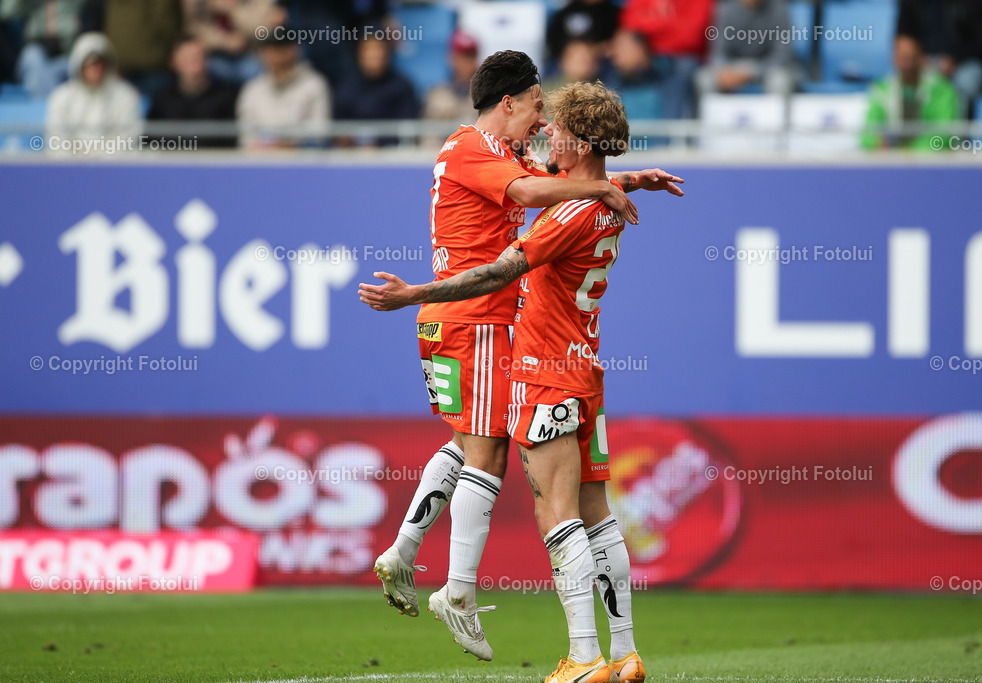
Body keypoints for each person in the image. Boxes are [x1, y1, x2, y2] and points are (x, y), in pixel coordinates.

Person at [367, 49, 677, 664]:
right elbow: (540, 190)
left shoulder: (540, 182)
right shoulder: (476, 151)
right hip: (483, 322)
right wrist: (613, 182)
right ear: (508, 102)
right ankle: (462, 591)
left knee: (480, 448)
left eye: (552, 117)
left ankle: (421, 561)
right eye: (538, 105)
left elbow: (547, 207)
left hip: (520, 345)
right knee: (492, 453)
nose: (542, 121)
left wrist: (619, 180)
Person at [46, 31, 142, 154]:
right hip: (71, 168)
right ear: (79, 65)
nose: (96, 69)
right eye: (90, 63)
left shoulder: (126, 96)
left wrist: (97, 159)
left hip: (112, 169)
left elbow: (128, 138)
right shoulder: (61, 97)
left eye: (100, 62)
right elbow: (56, 141)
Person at [861, 33, 959, 151]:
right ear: (894, 58)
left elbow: (944, 134)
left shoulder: (942, 90)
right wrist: (878, 143)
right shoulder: (881, 90)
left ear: (921, 58)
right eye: (903, 58)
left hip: (931, 162)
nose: (907, 64)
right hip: (891, 162)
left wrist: (908, 151)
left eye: (912, 58)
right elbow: (868, 134)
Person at [236, 27, 330, 149]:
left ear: (295, 50)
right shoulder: (252, 90)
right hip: (260, 162)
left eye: (282, 50)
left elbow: (318, 135)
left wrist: (289, 146)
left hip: (302, 163)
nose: (277, 59)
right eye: (271, 51)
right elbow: (246, 139)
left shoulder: (314, 85)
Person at [148, 35, 239, 148]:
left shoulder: (225, 97)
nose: (195, 65)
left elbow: (232, 143)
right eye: (188, 59)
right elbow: (150, 141)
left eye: (198, 58)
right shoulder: (162, 100)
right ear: (173, 63)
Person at [696, 0, 798, 97]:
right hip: (733, 68)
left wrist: (751, 72)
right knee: (704, 79)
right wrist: (726, 71)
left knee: (779, 81)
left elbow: (782, 55)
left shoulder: (779, 10)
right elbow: (718, 53)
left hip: (767, 69)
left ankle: (775, 116)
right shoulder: (725, 11)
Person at [333, 35, 420, 147]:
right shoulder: (346, 88)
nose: (374, 55)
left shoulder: (402, 87)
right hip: (352, 156)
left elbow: (408, 128)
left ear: (387, 53)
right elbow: (338, 130)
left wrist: (378, 144)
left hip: (392, 155)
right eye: (368, 50)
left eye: (378, 49)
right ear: (359, 54)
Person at [0, 0, 86, 98]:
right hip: (40, 54)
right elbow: (6, 12)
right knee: (32, 57)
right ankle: (51, 106)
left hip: (67, 55)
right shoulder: (31, 3)